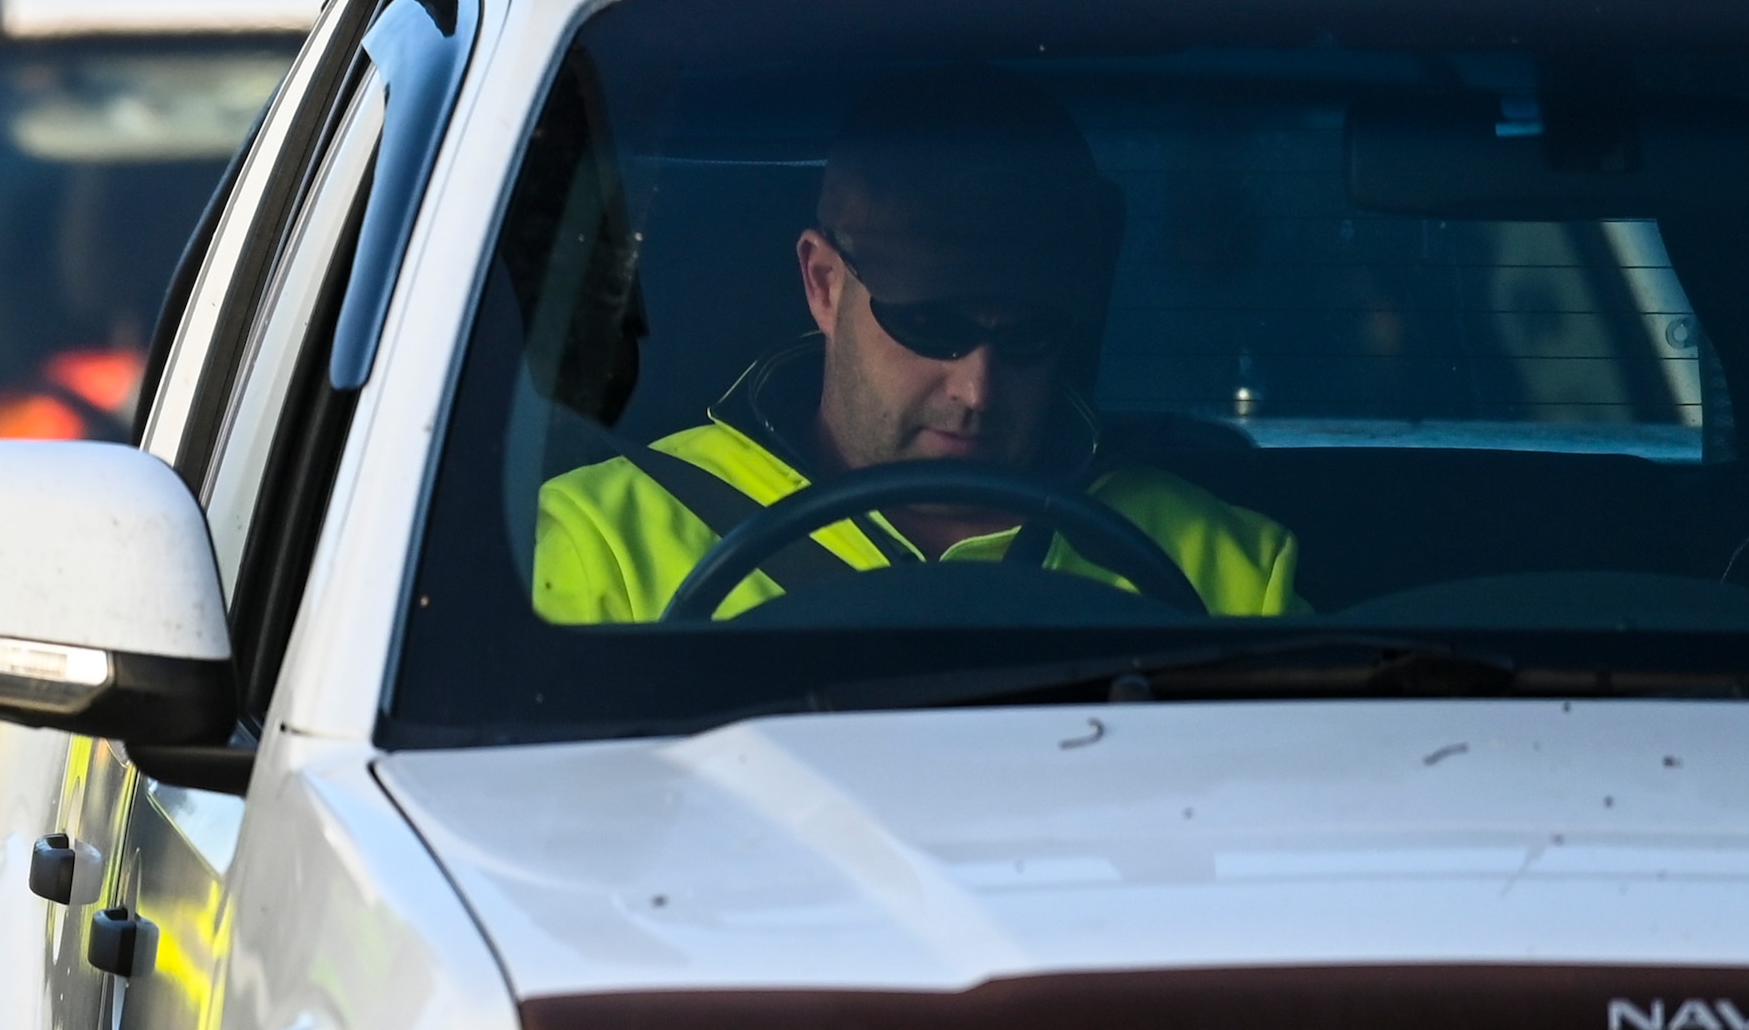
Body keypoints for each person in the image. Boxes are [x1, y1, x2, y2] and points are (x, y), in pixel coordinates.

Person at [532, 63, 1302, 621]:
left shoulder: (1227, 569)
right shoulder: (600, 544)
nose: (978, 389)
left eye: (1030, 335)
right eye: (932, 324)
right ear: (824, 283)